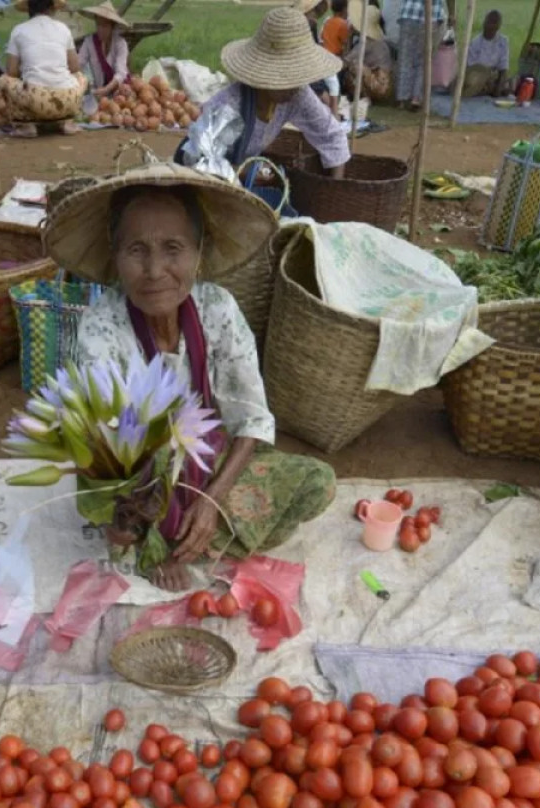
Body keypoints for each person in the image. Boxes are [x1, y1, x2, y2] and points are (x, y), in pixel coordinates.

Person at [45, 165, 336, 591]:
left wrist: (212, 500)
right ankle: (161, 544)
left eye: (173, 248)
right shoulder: (101, 325)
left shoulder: (218, 310)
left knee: (317, 484)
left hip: (203, 461)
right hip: (136, 479)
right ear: (115, 255)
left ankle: (198, 532)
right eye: (137, 250)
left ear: (199, 254)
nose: (154, 269)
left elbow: (249, 417)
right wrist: (137, 516)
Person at [182, 8, 349, 180]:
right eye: (285, 77)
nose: (294, 86)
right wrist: (250, 172)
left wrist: (336, 187)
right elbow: (197, 163)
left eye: (297, 77)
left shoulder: (297, 94)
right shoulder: (229, 106)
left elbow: (333, 135)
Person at [0, 0, 87, 136]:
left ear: (29, 9)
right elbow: (75, 67)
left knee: (4, 80)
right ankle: (67, 122)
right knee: (81, 77)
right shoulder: (63, 28)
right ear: (52, 8)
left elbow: (11, 71)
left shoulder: (19, 30)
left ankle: (25, 126)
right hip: (68, 99)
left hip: (36, 100)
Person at [396, 0, 448, 109]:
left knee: (405, 59)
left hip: (409, 14)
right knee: (423, 61)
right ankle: (416, 98)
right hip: (431, 17)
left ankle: (402, 98)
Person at [77, 3, 130, 98]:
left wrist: (107, 89)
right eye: (98, 25)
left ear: (112, 26)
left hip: (120, 89)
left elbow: (121, 72)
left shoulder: (120, 44)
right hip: (100, 90)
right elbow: (79, 63)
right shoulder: (89, 42)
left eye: (105, 26)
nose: (100, 29)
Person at [463, 10, 509, 97]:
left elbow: (504, 67)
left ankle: (489, 89)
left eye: (495, 23)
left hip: (494, 76)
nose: (491, 25)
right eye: (489, 22)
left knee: (510, 84)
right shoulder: (476, 42)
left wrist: (498, 88)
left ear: (498, 26)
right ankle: (484, 89)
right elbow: (470, 67)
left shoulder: (503, 41)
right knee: (473, 81)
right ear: (484, 23)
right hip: (477, 75)